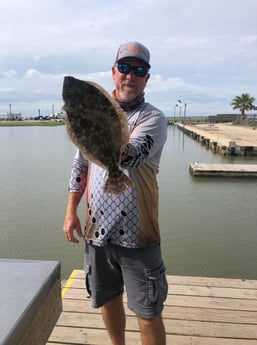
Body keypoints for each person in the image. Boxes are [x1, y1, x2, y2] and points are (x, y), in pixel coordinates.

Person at [63, 41, 168, 345]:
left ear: (147, 78)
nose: (130, 76)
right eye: (124, 68)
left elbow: (130, 157)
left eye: (139, 70)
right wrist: (71, 210)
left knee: (148, 312)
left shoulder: (155, 119)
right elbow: (80, 165)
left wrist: (95, 122)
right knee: (108, 301)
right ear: (113, 72)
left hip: (140, 237)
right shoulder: (94, 115)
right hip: (98, 233)